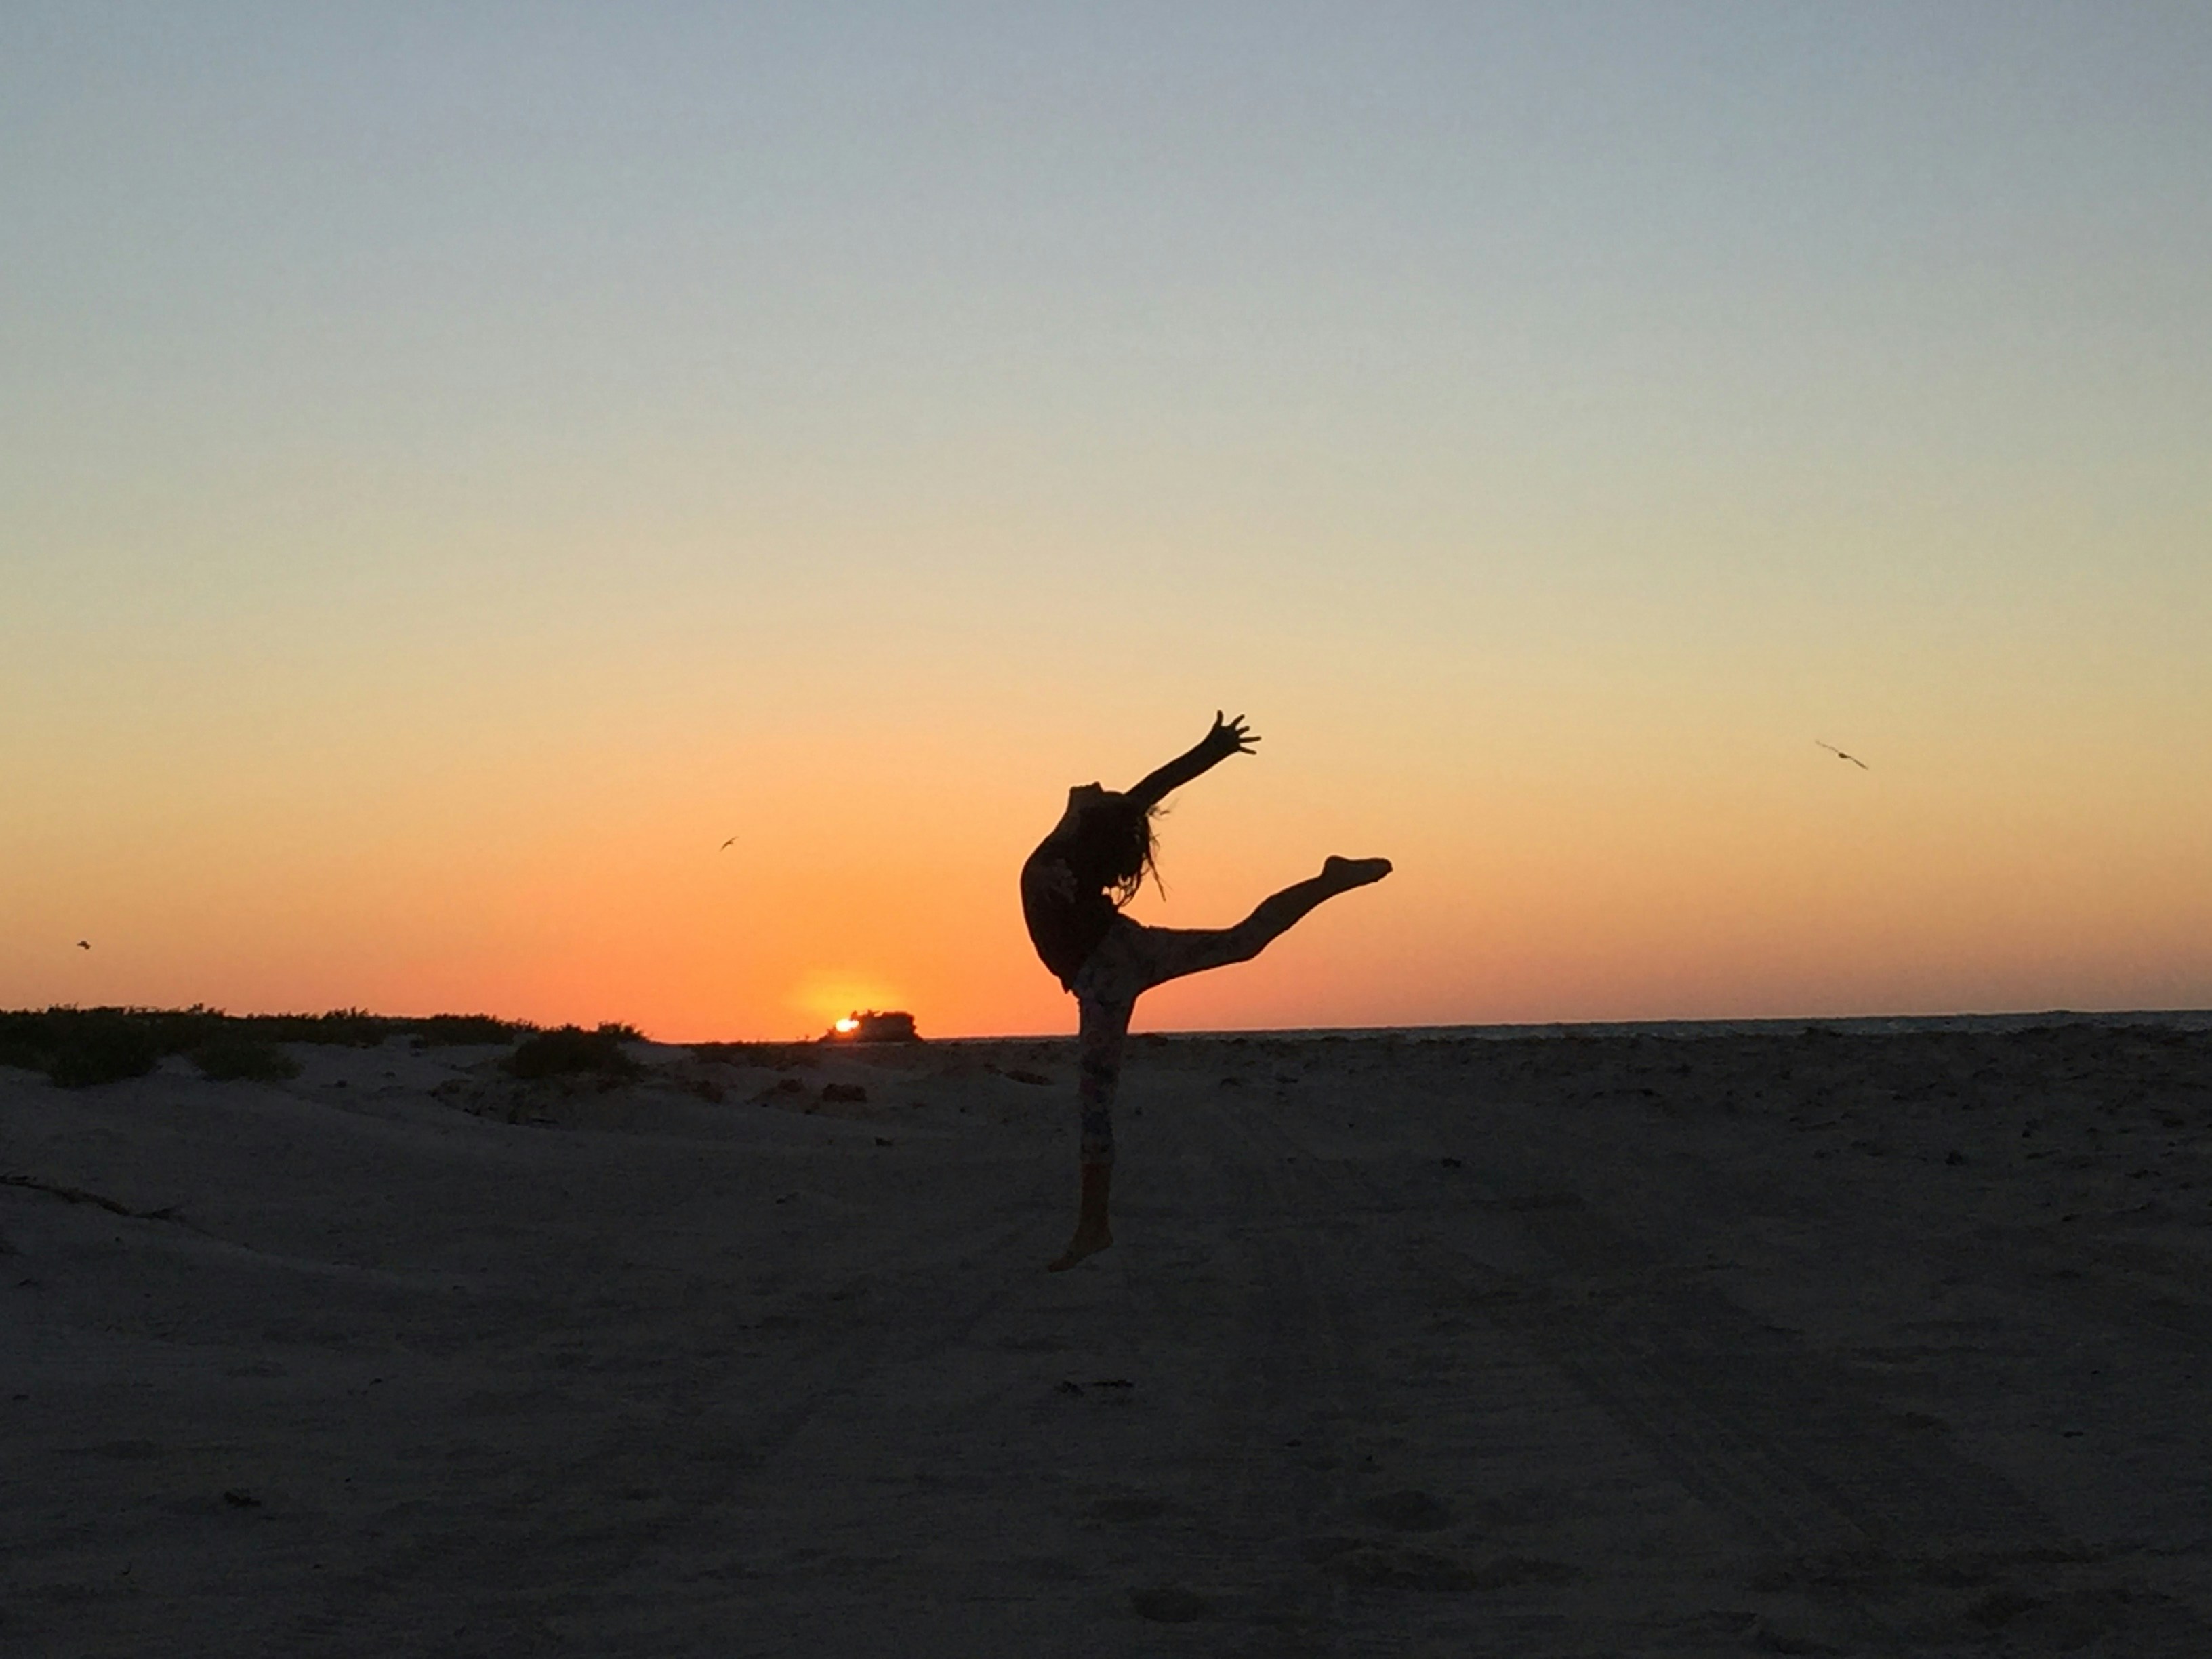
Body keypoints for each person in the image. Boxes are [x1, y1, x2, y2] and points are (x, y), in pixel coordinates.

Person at [1020, 712, 1391, 1270]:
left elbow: (1154, 786)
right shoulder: (1067, 847)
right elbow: (1157, 784)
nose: (1091, 786)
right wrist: (1211, 748)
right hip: (1119, 958)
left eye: (1096, 793)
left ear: (1087, 819)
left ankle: (1093, 1228)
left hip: (1108, 972)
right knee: (1241, 943)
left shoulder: (1064, 851)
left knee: (1096, 1104)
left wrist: (1211, 749)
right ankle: (1328, 881)